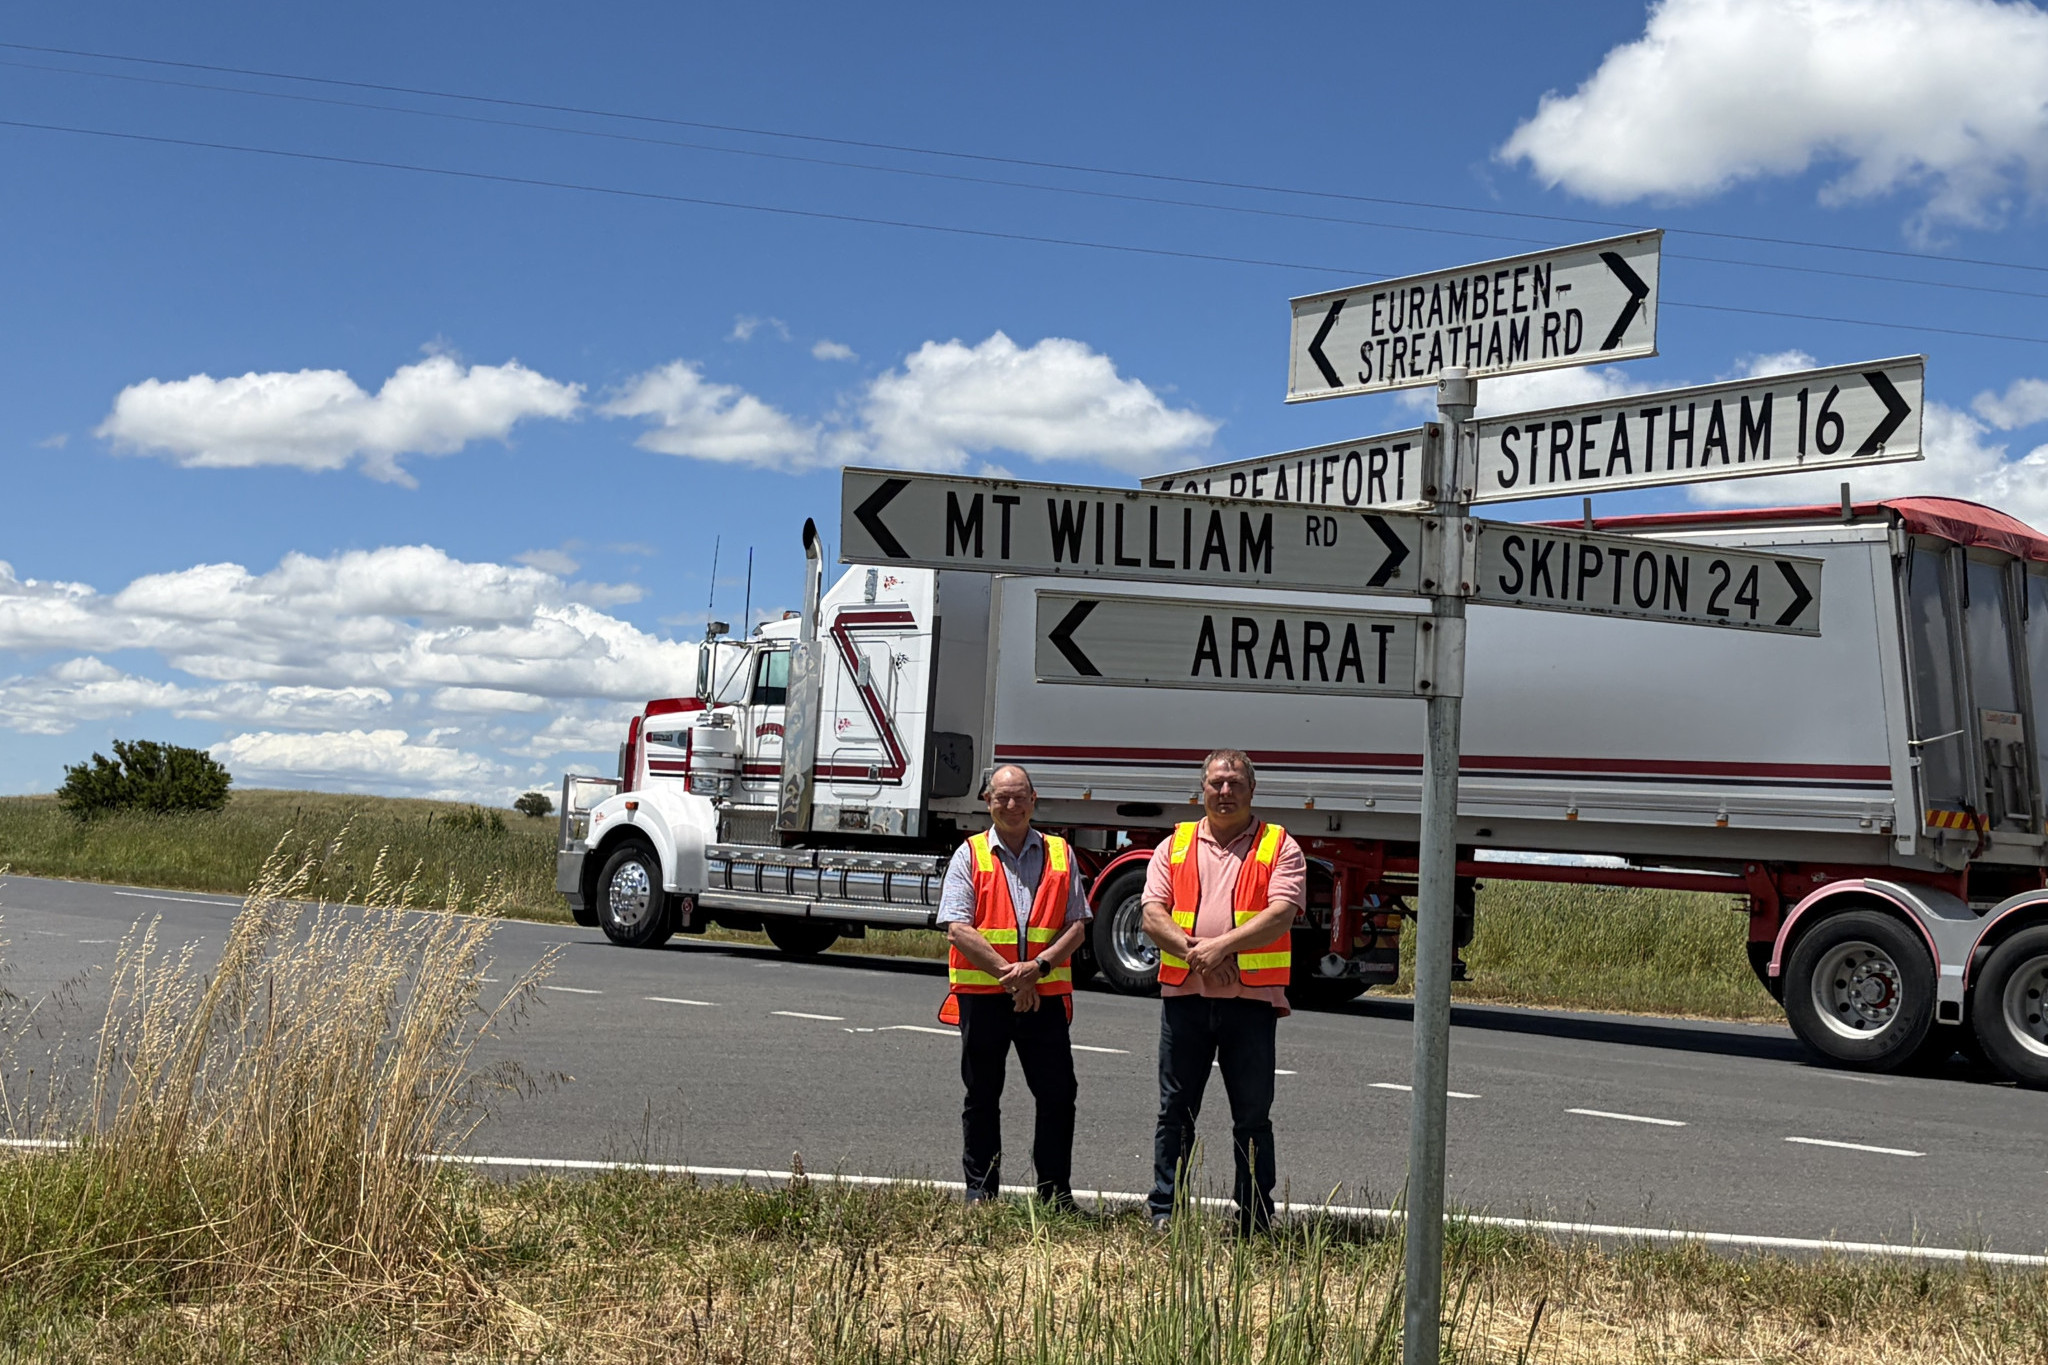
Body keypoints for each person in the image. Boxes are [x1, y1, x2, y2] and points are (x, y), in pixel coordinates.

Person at [1141, 748, 1305, 1233]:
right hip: (1186, 999)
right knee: (1175, 1110)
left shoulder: (1280, 845)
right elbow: (1153, 914)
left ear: (1252, 790)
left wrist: (1219, 951)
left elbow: (1280, 914)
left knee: (1252, 1116)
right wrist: (1201, 954)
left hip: (1250, 1004)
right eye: (1216, 783)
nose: (1225, 791)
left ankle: (1254, 1217)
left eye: (1235, 783)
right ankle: (1165, 1213)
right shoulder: (1175, 843)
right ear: (1202, 789)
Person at [936, 763, 1092, 1207]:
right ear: (987, 801)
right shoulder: (969, 854)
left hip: (1043, 994)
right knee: (982, 1095)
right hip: (986, 997)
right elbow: (957, 930)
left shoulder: (1061, 853)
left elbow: (1077, 926)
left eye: (1019, 795)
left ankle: (1055, 1196)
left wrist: (1036, 970)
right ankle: (980, 1193)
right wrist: (1013, 976)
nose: (1011, 804)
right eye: (1002, 797)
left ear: (1033, 799)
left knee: (1059, 1095)